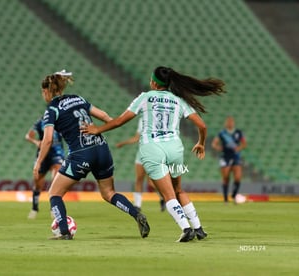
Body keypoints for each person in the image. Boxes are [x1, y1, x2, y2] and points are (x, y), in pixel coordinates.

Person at [81, 66, 226, 242]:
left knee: (168, 195)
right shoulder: (178, 100)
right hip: (175, 149)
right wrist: (201, 143)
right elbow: (202, 126)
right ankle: (199, 228)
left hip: (152, 149)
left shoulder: (145, 97)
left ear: (154, 83)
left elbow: (120, 121)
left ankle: (186, 229)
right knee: (179, 189)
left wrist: (97, 129)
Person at [33, 70, 150, 240]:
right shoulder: (78, 98)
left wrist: (38, 162)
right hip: (101, 148)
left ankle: (64, 231)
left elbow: (48, 139)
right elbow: (103, 116)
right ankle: (136, 213)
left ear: (46, 91)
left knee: (54, 193)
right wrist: (107, 127)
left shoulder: (51, 109)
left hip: (81, 154)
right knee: (109, 193)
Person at [116, 118, 166, 212]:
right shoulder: (143, 119)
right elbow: (137, 137)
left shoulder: (159, 119)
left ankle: (164, 197)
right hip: (141, 153)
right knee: (139, 179)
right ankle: (137, 205)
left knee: (152, 182)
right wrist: (123, 143)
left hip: (153, 154)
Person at [25, 118, 64, 219]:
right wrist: (36, 142)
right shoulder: (40, 122)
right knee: (38, 183)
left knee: (56, 179)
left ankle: (54, 209)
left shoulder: (61, 120)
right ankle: (34, 208)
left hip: (57, 153)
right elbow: (28, 136)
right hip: (43, 155)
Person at [211, 116, 247, 203]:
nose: (230, 123)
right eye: (228, 122)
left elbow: (244, 143)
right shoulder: (222, 133)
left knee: (238, 177)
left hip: (235, 156)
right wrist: (219, 148)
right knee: (226, 177)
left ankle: (234, 195)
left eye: (231, 122)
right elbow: (214, 143)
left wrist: (238, 148)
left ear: (233, 123)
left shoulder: (238, 132)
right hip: (225, 156)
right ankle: (226, 199)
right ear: (226, 123)